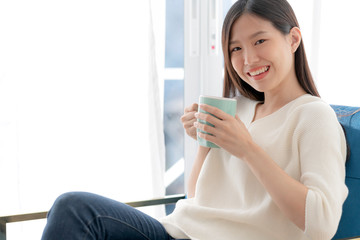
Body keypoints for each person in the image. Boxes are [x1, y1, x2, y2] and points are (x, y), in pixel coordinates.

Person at [41, 0, 348, 239]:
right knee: (73, 210)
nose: (248, 60)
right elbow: (197, 198)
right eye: (235, 49)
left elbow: (322, 224)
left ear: (293, 39)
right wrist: (206, 142)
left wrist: (247, 148)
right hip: (179, 230)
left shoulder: (313, 116)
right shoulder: (238, 109)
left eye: (260, 41)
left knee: (76, 212)